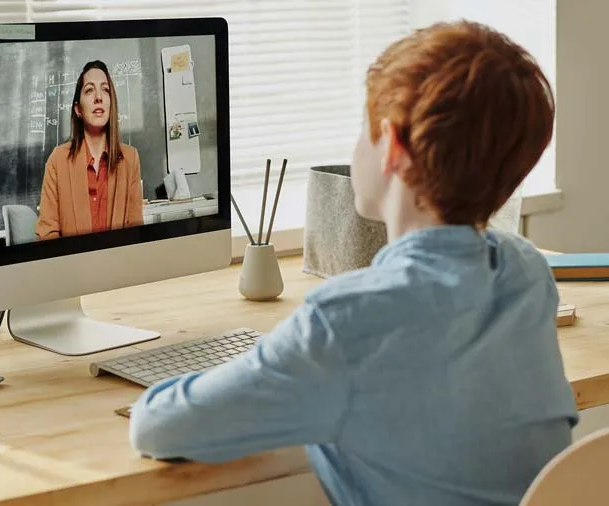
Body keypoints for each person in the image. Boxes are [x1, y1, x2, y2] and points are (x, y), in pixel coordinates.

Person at [128, 21, 579, 506]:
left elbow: (159, 428)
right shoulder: (525, 272)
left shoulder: (345, 322)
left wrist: (262, 366)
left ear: (392, 147)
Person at [35, 60, 143, 241]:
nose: (98, 97)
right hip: (72, 265)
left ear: (111, 104)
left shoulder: (130, 159)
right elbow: (48, 235)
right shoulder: (57, 160)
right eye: (89, 90)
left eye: (105, 90)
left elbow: (135, 231)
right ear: (78, 109)